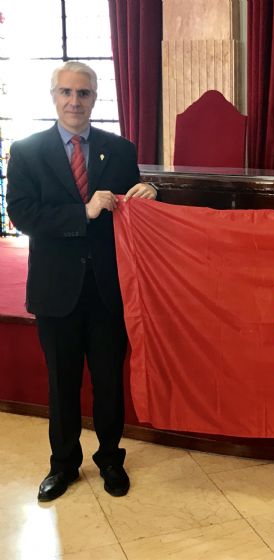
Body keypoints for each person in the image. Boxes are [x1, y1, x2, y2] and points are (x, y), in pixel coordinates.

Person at [7, 61, 157, 501]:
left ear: (95, 98)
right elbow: (23, 214)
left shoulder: (121, 149)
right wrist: (83, 212)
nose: (75, 101)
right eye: (67, 92)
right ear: (53, 96)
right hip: (56, 290)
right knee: (63, 383)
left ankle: (110, 459)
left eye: (84, 93)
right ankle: (63, 465)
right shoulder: (28, 150)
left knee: (109, 382)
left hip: (109, 289)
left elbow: (134, 204)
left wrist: (151, 194)